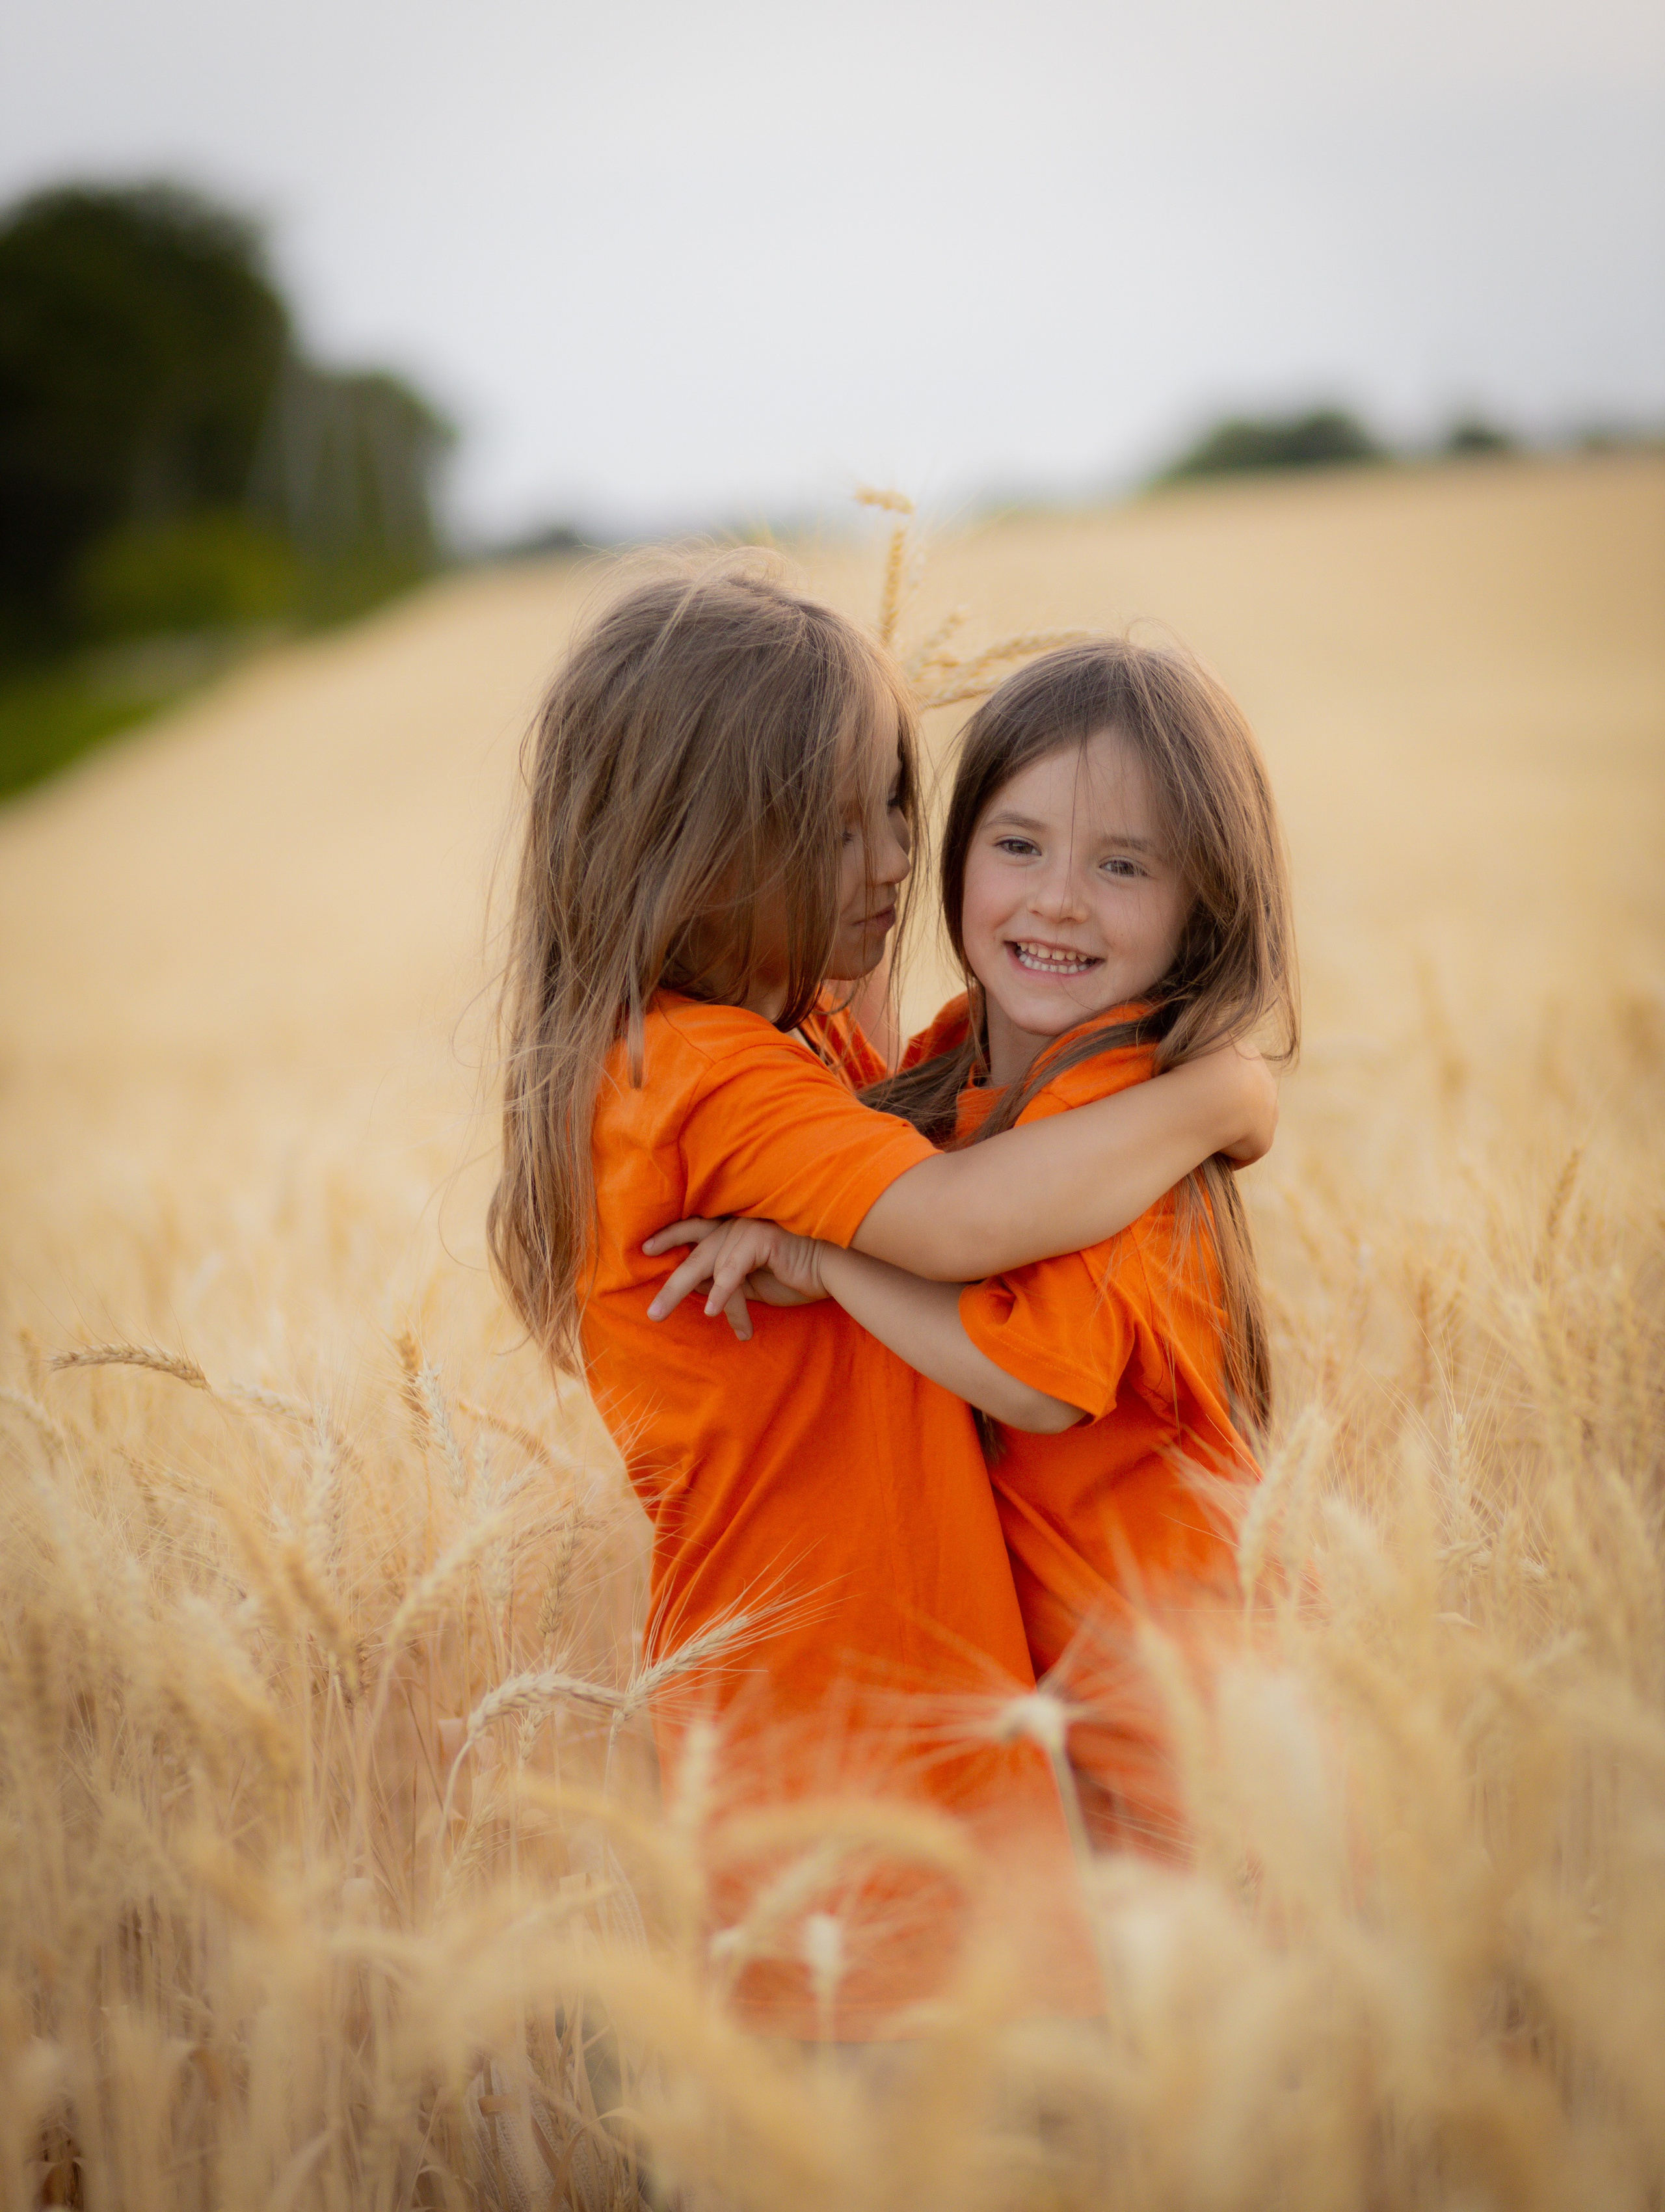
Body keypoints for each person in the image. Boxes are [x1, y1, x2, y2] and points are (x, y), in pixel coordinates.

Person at [488, 562, 1276, 2032]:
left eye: (899, 807)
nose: (889, 859)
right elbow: (955, 1218)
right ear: (694, 845)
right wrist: (1220, 1090)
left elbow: (984, 1104)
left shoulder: (794, 1050)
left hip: (906, 1693)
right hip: (842, 1711)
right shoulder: (696, 1079)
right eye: (830, 824)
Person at [657, 636, 1296, 1856]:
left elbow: (1032, 1385)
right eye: (1018, 844)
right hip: (1052, 1682)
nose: (1058, 898)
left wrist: (824, 1260)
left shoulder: (1123, 1124)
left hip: (1162, 1691)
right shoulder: (949, 1062)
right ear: (948, 862)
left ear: (1204, 908)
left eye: (1122, 865)